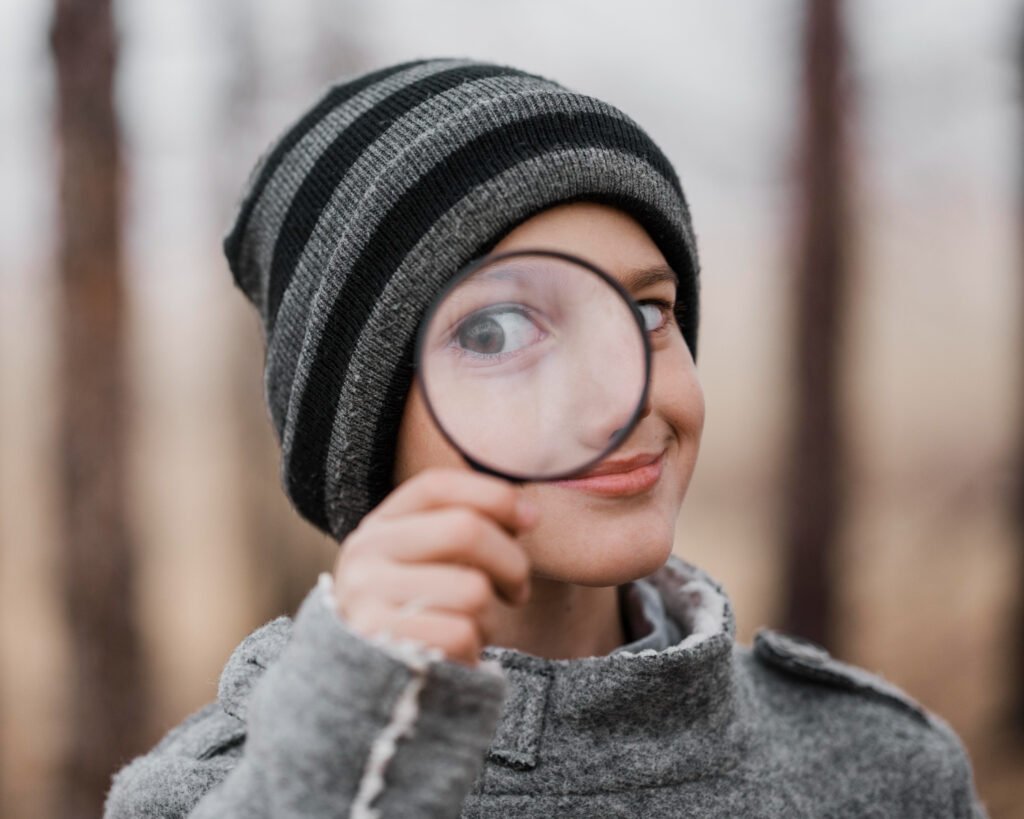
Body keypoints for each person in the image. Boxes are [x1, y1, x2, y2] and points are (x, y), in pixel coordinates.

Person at [102, 57, 988, 818]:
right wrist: (338, 766)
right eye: (494, 333)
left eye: (645, 312)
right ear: (363, 436)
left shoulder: (886, 766)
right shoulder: (220, 794)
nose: (612, 401)